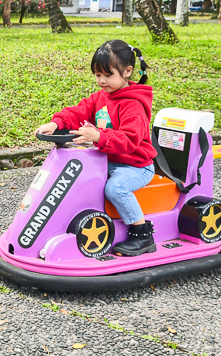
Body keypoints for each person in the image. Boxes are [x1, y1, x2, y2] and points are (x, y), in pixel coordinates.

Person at [35, 39, 158, 256]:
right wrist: (56, 123)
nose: (101, 81)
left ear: (127, 71)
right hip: (109, 160)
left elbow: (130, 140)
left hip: (136, 165)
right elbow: (79, 111)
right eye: (97, 74)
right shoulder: (102, 96)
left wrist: (99, 136)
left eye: (107, 75)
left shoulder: (134, 104)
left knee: (115, 188)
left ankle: (142, 234)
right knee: (77, 177)